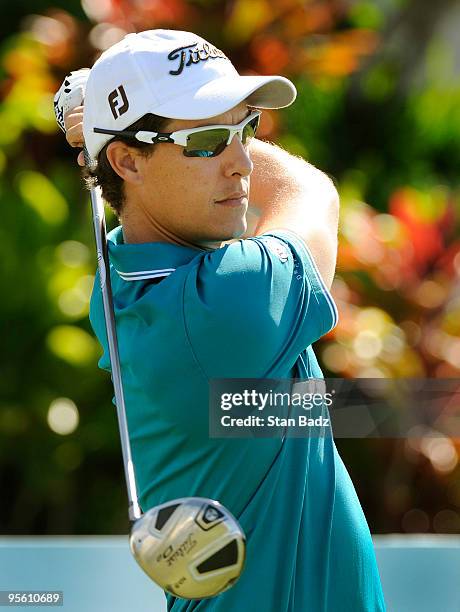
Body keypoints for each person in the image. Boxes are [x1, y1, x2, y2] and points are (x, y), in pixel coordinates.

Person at [55, 29, 386, 611]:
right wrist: (115, 126)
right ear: (127, 162)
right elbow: (311, 190)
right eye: (208, 139)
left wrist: (131, 131)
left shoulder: (120, 281)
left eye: (246, 129)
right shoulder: (229, 303)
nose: (240, 164)